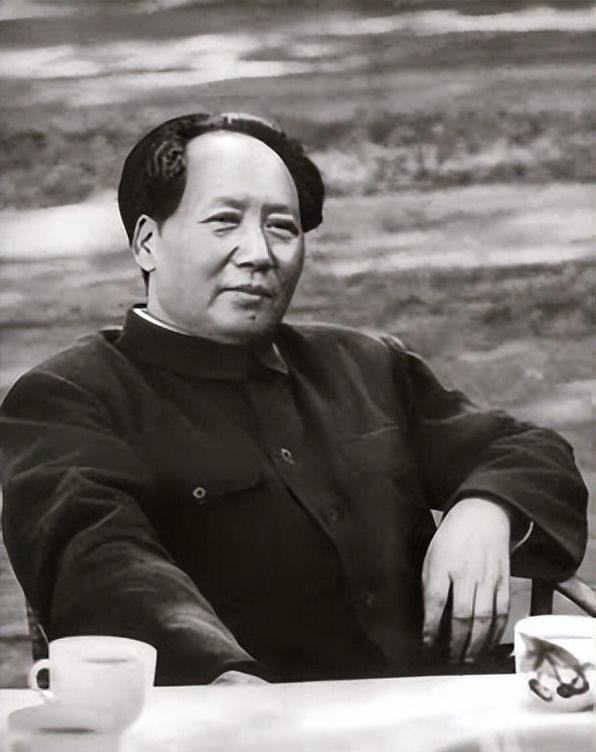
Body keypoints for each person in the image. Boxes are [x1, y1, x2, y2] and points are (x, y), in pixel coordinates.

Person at [0, 112, 587, 686]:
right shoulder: (70, 399)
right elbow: (105, 569)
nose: (259, 252)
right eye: (224, 222)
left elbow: (529, 453)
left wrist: (485, 510)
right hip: (232, 724)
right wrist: (226, 686)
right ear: (147, 243)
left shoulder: (364, 365)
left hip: (437, 707)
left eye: (281, 227)